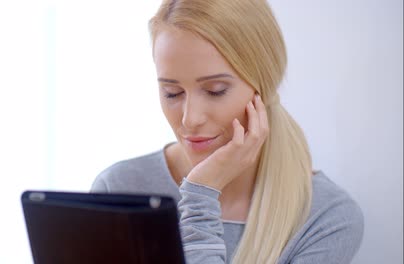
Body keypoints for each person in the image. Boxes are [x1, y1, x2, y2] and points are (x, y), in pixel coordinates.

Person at [91, 0, 364, 263]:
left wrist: (200, 196)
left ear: (264, 86)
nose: (190, 119)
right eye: (171, 93)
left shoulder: (325, 218)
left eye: (215, 91)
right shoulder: (118, 190)